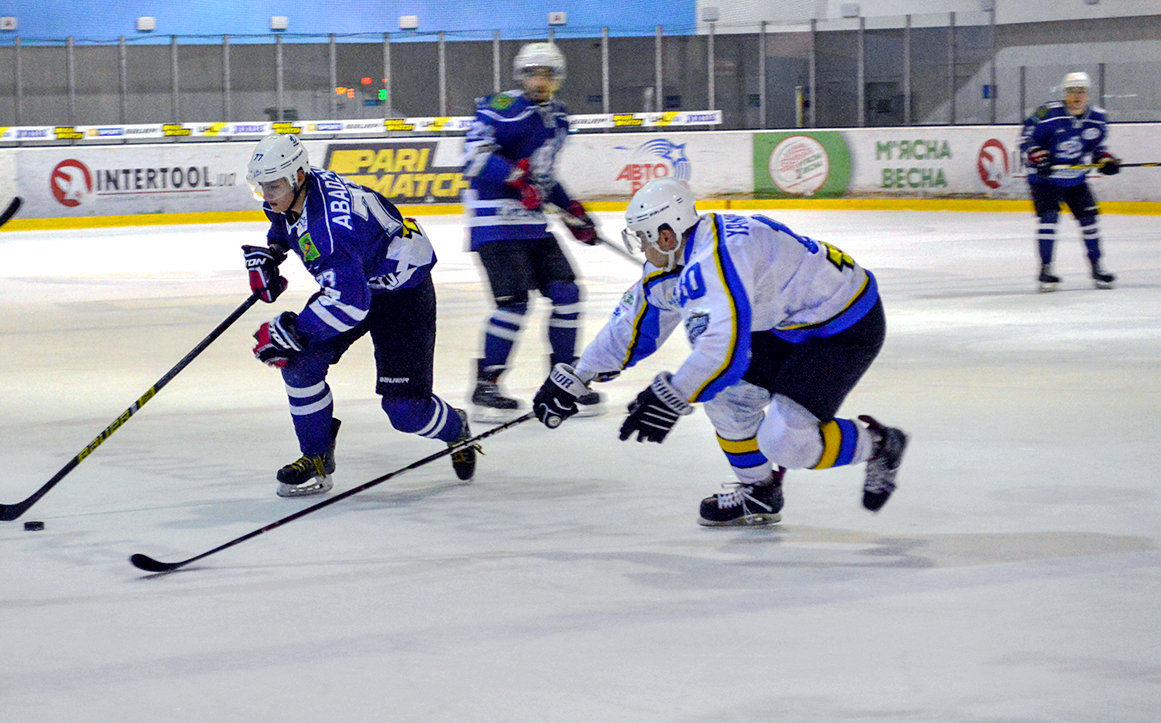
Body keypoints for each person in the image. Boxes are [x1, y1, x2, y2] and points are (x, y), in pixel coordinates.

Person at [531, 178, 909, 526]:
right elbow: (634, 322)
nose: (642, 249)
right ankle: (760, 492)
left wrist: (672, 396)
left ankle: (878, 445)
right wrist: (579, 375)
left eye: (643, 238)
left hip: (845, 326)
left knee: (787, 442)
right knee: (727, 400)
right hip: (785, 324)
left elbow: (722, 351)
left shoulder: (719, 257)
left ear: (666, 235)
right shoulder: (684, 252)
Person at [242, 133, 480, 497]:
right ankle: (317, 456)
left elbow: (350, 305)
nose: (268, 195)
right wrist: (274, 252)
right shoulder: (294, 188)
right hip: (357, 277)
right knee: (299, 364)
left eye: (273, 186)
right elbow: (284, 223)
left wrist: (293, 330)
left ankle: (455, 427)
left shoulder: (330, 231)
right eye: (262, 187)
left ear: (298, 177)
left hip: (401, 291)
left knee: (405, 412)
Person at [461, 42, 602, 424]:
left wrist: (573, 210)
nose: (541, 81)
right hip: (493, 223)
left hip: (532, 225)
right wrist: (515, 177)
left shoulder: (558, 117)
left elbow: (544, 178)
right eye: (534, 73)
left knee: (567, 292)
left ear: (558, 78)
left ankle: (564, 379)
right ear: (521, 76)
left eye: (548, 74)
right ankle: (487, 383)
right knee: (514, 303)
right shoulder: (502, 108)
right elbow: (473, 157)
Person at [1019, 71, 1120, 292]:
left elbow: (1097, 150)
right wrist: (1039, 156)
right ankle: (1046, 270)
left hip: (1075, 178)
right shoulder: (1047, 113)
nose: (1077, 96)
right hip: (1045, 179)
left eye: (1081, 91)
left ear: (1087, 93)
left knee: (1089, 220)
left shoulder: (1097, 118)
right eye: (1072, 91)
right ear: (1064, 93)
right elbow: (1026, 139)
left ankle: (1097, 267)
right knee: (1049, 219)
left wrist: (1106, 160)